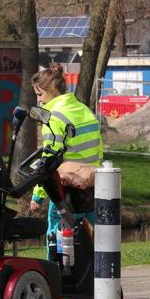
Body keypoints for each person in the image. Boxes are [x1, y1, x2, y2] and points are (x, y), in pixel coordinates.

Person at [27, 64, 103, 242]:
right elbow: (98, 148)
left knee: (56, 236)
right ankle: (99, 269)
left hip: (66, 188)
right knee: (97, 238)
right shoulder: (84, 110)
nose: (39, 101)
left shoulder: (53, 117)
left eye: (40, 94)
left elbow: (48, 161)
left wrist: (38, 195)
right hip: (92, 184)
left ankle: (57, 270)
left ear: (52, 89)